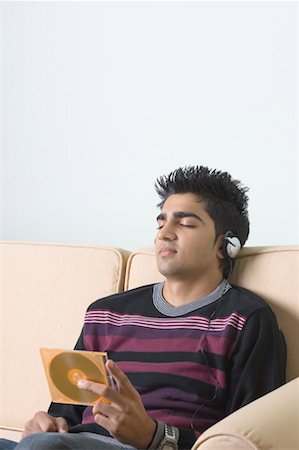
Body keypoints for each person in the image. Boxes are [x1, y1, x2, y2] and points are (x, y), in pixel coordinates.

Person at [0, 166, 286, 450]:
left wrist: (153, 435)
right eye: (161, 223)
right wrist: (47, 422)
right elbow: (66, 413)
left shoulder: (245, 319)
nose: (165, 234)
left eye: (185, 224)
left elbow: (250, 439)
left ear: (226, 245)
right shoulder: (105, 313)